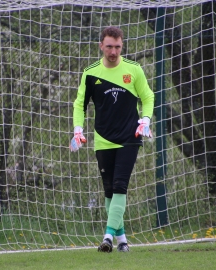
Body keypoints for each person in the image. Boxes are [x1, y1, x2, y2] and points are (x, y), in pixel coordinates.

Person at [70, 26, 155, 253]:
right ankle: (122, 240)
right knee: (109, 191)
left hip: (130, 137)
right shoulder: (90, 73)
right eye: (109, 46)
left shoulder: (134, 70)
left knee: (119, 186)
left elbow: (148, 97)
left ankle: (107, 236)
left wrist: (145, 119)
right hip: (103, 139)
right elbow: (80, 104)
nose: (114, 52)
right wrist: (78, 128)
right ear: (101, 46)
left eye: (117, 47)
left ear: (122, 46)